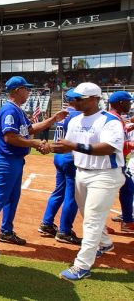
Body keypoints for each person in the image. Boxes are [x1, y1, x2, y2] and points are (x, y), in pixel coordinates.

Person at [0, 76, 67, 246]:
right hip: (6, 160)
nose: (28, 92)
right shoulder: (10, 110)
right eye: (26, 88)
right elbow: (10, 137)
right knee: (0, 197)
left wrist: (53, 119)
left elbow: (31, 129)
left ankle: (6, 231)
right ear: (17, 90)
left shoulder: (17, 109)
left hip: (14, 160)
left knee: (12, 197)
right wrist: (34, 142)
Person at [53, 82, 125, 281]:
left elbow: (109, 147)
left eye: (78, 98)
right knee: (88, 216)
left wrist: (74, 145)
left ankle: (82, 266)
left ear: (94, 99)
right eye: (73, 98)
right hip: (82, 172)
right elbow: (67, 146)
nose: (73, 101)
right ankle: (104, 243)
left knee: (92, 221)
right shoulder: (75, 120)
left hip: (105, 174)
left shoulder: (109, 121)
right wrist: (49, 147)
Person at [38, 89, 81, 245]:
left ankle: (47, 223)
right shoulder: (77, 115)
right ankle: (64, 231)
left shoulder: (62, 112)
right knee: (72, 195)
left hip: (59, 156)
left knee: (59, 190)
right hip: (70, 156)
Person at [107, 91, 134, 233]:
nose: (130, 105)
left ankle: (127, 221)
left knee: (128, 188)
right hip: (112, 163)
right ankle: (101, 227)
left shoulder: (117, 118)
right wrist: (131, 145)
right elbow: (115, 144)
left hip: (119, 161)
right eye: (129, 102)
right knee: (105, 194)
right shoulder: (113, 120)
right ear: (121, 103)